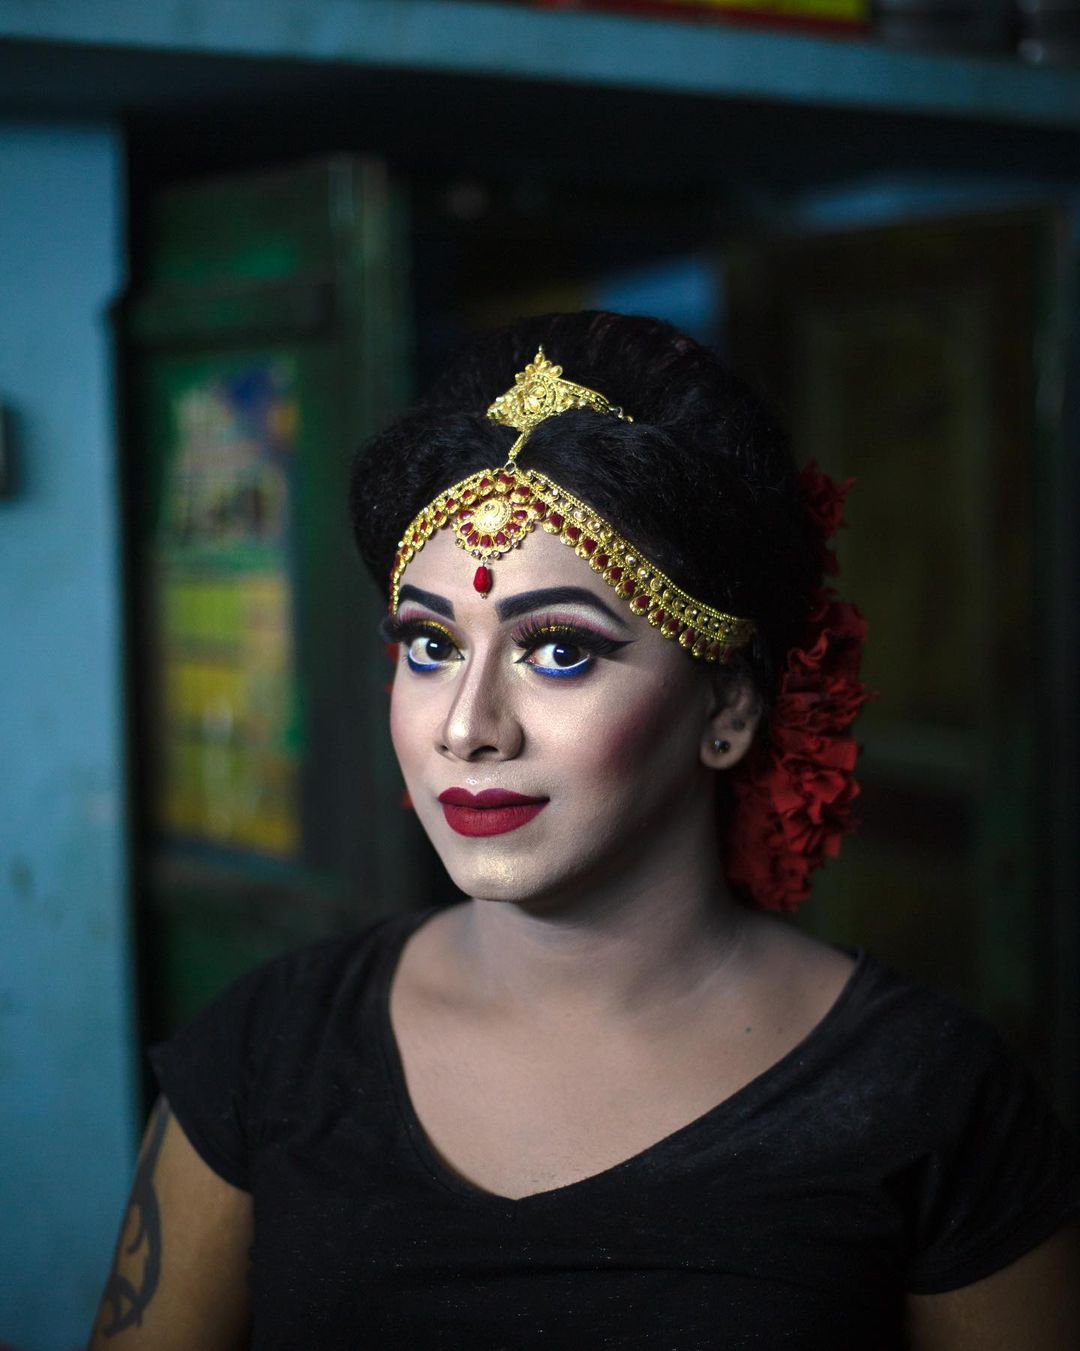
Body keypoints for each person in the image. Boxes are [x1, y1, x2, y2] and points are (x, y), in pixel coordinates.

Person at [90, 311, 1080, 1349]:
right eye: (430, 644)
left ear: (728, 708)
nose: (467, 727)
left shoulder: (927, 1097)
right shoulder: (270, 1048)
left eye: (559, 650)